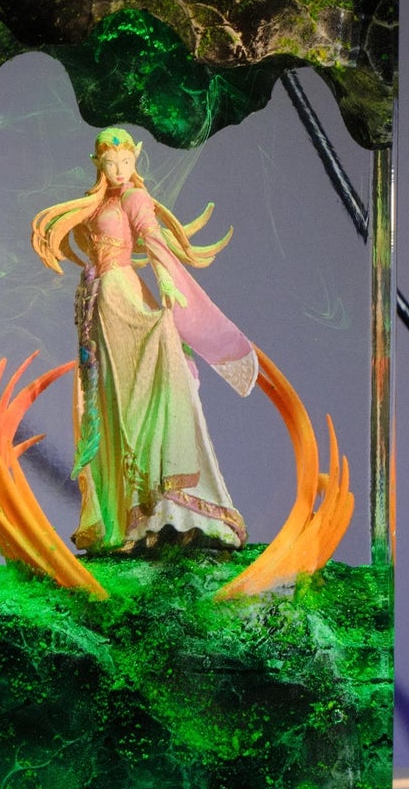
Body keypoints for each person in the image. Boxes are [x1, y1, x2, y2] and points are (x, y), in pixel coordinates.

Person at [30, 127, 257, 553]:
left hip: (127, 298)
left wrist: (167, 281)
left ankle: (166, 506)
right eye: (110, 163)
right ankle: (123, 518)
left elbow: (153, 240)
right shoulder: (98, 202)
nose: (119, 170)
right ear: (98, 164)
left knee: (146, 392)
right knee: (113, 401)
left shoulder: (135, 198)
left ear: (135, 159)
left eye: (126, 162)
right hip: (101, 304)